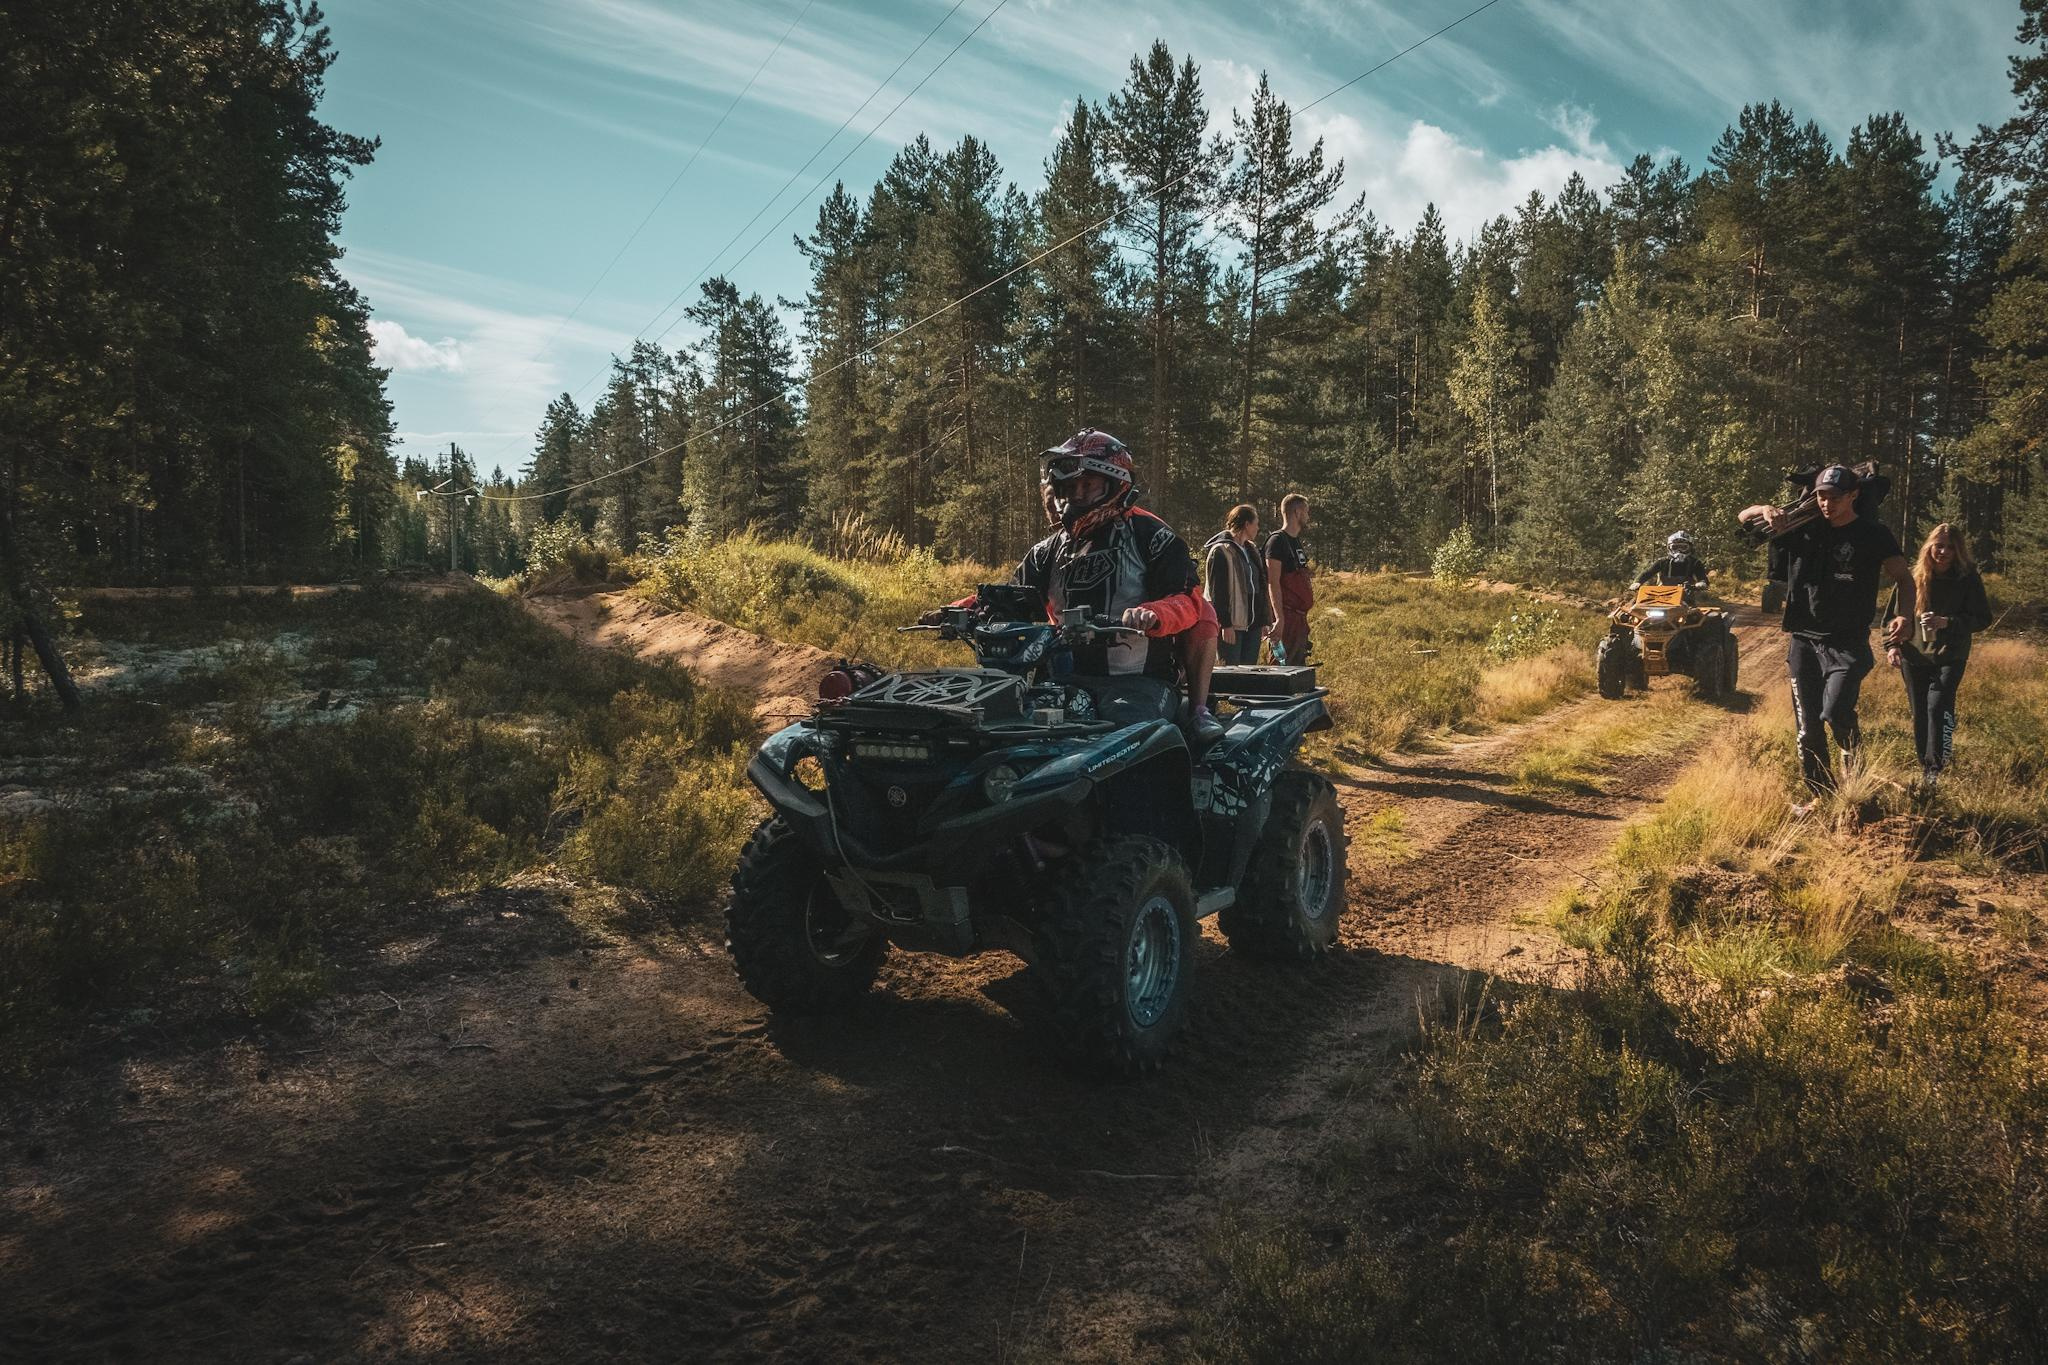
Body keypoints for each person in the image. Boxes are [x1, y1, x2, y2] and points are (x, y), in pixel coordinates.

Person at [930, 429, 1224, 741]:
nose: (1078, 494)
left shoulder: (1150, 535)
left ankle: (1197, 712)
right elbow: (1010, 596)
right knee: (998, 731)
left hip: (1139, 682)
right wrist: (955, 611)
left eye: (1087, 484)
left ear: (1114, 483)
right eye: (1070, 486)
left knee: (1130, 740)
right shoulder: (1048, 550)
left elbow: (1188, 600)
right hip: (1061, 679)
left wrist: (1152, 613)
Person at [1739, 464, 1914, 813]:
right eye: (1821, 495)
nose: (1826, 504)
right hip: (1803, 639)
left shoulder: (1872, 533)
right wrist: (1764, 510)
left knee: (1834, 713)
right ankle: (1821, 796)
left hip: (1847, 643)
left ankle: (1856, 781)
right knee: (1807, 728)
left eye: (1835, 497)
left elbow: (1904, 579)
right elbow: (1744, 518)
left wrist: (1904, 615)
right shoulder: (1800, 527)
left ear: (1853, 495)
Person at [1885, 523, 1993, 790]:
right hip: (1914, 655)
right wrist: (1892, 646)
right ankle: (1925, 766)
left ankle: (1936, 768)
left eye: (1950, 548)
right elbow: (1890, 618)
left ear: (1958, 552)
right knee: (1920, 712)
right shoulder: (1913, 577)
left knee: (1938, 708)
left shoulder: (1967, 578)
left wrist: (1948, 622)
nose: (1943, 552)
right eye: (1938, 546)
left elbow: (1983, 618)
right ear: (1929, 547)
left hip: (1950, 656)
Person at [1203, 504, 1266, 666]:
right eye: (1256, 523)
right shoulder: (1221, 551)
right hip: (1232, 625)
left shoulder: (1251, 550)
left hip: (1252, 626)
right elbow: (1218, 592)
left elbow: (1260, 586)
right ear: (1246, 524)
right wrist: (1226, 624)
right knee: (1231, 672)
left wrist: (1263, 620)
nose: (1258, 528)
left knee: (1249, 673)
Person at [1265, 493, 1313, 665]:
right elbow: (1273, 582)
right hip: (1287, 618)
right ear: (1297, 512)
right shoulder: (1277, 542)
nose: (1308, 516)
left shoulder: (1296, 542)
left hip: (1299, 619)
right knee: (1281, 667)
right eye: (1306, 511)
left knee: (1298, 669)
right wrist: (1279, 619)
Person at [1634, 531, 1710, 594]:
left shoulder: (1695, 563)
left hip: (1686, 595)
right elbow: (1648, 573)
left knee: (1694, 610)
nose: (1679, 551)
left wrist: (1701, 583)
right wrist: (1638, 582)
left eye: (1683, 547)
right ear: (1669, 548)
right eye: (1675, 547)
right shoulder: (1662, 562)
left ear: (1690, 548)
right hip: (1661, 594)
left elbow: (1702, 577)